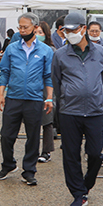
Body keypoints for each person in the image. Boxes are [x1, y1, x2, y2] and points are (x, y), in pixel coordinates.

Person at [52, 11, 103, 206]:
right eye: (66, 31)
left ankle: (87, 184)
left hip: (95, 111)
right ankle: (78, 192)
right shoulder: (60, 55)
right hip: (70, 112)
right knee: (70, 154)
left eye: (74, 30)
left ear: (83, 29)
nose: (70, 33)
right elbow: (56, 83)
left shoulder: (100, 52)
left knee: (95, 154)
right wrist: (65, 101)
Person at [0, 12, 54, 186]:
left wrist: (49, 98)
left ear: (35, 28)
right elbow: (4, 71)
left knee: (33, 137)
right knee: (6, 135)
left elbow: (48, 76)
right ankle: (8, 164)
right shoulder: (12, 48)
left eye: (25, 27)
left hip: (34, 99)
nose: (21, 30)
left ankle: (29, 171)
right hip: (13, 98)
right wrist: (1, 94)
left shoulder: (45, 51)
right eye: (20, 27)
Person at [38, 21, 57, 164]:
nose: (38, 35)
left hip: (47, 88)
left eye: (40, 32)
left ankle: (46, 151)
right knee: (32, 121)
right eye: (36, 32)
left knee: (47, 121)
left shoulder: (51, 50)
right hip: (32, 89)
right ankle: (33, 149)